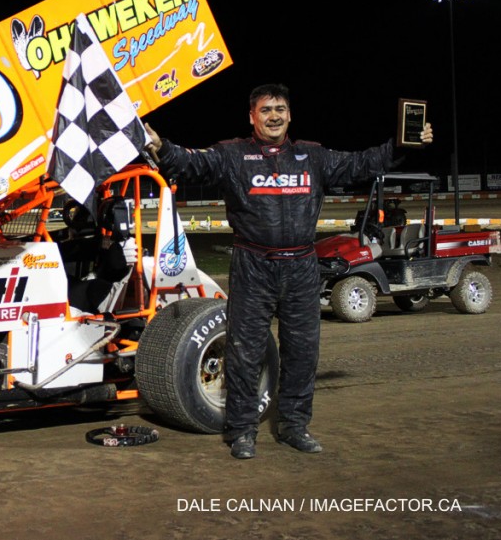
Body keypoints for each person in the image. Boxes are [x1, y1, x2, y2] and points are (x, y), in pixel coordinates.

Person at [145, 84, 432, 459]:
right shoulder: (232, 154)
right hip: (253, 265)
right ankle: (242, 431)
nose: (274, 115)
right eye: (265, 110)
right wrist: (162, 147)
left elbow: (362, 163)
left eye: (280, 108)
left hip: (301, 266)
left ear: (290, 115)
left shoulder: (312, 156)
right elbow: (191, 163)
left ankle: (295, 426)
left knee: (302, 353)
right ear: (252, 116)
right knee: (245, 353)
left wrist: (402, 145)